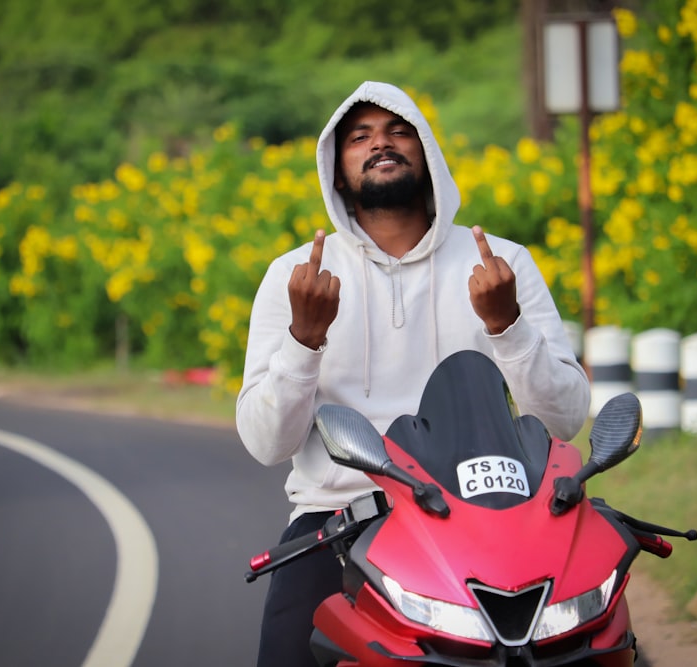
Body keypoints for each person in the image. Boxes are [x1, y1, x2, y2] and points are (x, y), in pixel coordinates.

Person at [236, 81, 590, 667]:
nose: (381, 144)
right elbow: (265, 444)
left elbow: (566, 419)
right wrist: (305, 339)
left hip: (489, 517)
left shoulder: (499, 265)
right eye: (360, 137)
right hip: (340, 517)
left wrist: (507, 326)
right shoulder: (294, 278)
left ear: (427, 153)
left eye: (399, 131)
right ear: (338, 171)